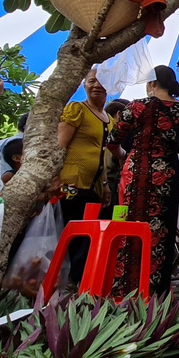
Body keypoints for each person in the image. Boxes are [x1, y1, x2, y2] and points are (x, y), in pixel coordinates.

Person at [111, 65, 179, 297]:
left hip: (136, 174)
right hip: (167, 175)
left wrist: (122, 157)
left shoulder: (136, 106)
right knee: (162, 231)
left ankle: (126, 288)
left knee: (130, 227)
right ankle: (156, 291)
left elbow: (112, 139)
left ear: (151, 83)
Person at [58, 69, 117, 285]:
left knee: (86, 235)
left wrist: (105, 184)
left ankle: (79, 282)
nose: (96, 85)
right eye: (91, 81)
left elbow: (103, 155)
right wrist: (55, 177)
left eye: (101, 82)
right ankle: (65, 281)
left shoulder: (109, 119)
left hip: (95, 187)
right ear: (84, 85)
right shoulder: (77, 109)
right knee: (71, 232)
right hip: (71, 183)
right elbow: (60, 144)